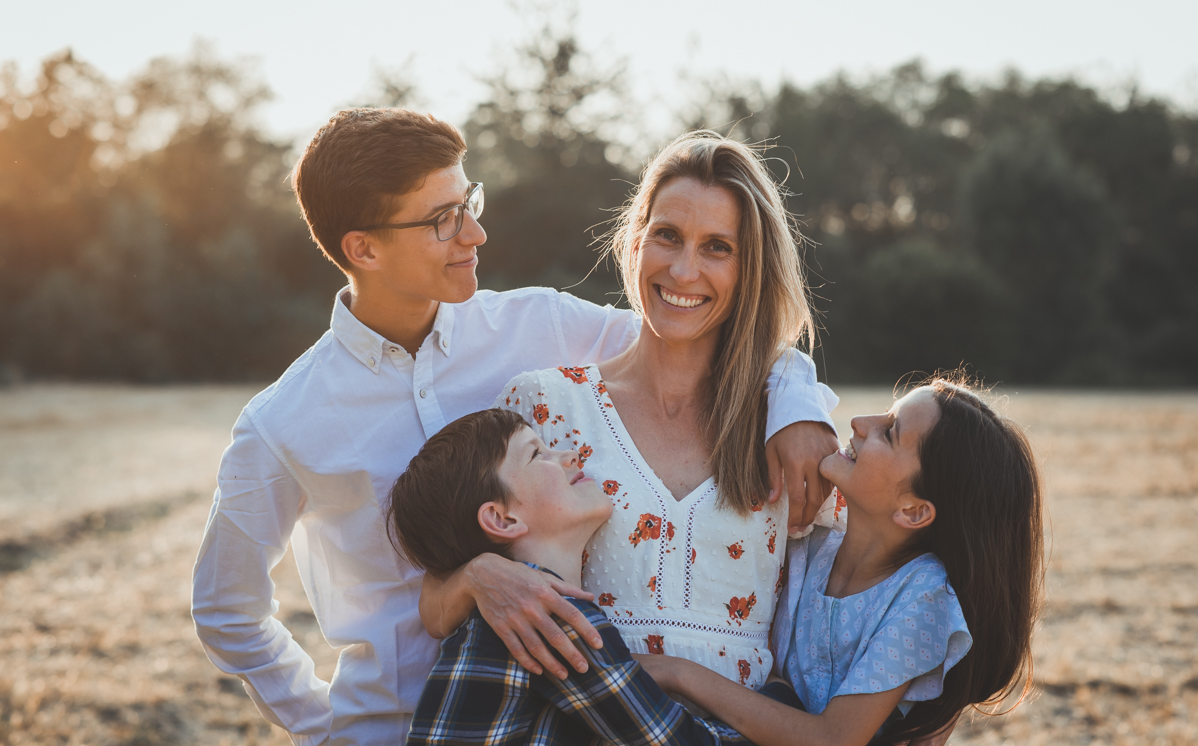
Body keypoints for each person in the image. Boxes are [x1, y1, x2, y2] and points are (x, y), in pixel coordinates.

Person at [190, 109, 838, 745]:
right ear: (363, 248)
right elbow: (227, 611)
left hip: (533, 717)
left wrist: (797, 405)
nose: (474, 234)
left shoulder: (542, 328)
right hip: (387, 727)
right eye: (443, 220)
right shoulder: (281, 423)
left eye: (468, 201)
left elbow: (701, 339)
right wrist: (328, 726)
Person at [423, 132, 842, 691]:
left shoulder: (788, 422)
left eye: (718, 247)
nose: (684, 271)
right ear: (634, 243)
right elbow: (435, 606)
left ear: (751, 271)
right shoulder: (543, 405)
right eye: (667, 236)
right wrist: (478, 575)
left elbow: (863, 595)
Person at [634, 378, 1046, 746]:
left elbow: (833, 738)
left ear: (914, 511)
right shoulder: (809, 543)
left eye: (889, 432)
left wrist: (678, 673)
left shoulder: (922, 600)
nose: (859, 423)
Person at [392, 408, 751, 745]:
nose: (569, 455)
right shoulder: (541, 612)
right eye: (536, 454)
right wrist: (781, 693)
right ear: (502, 519)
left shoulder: (496, 613)